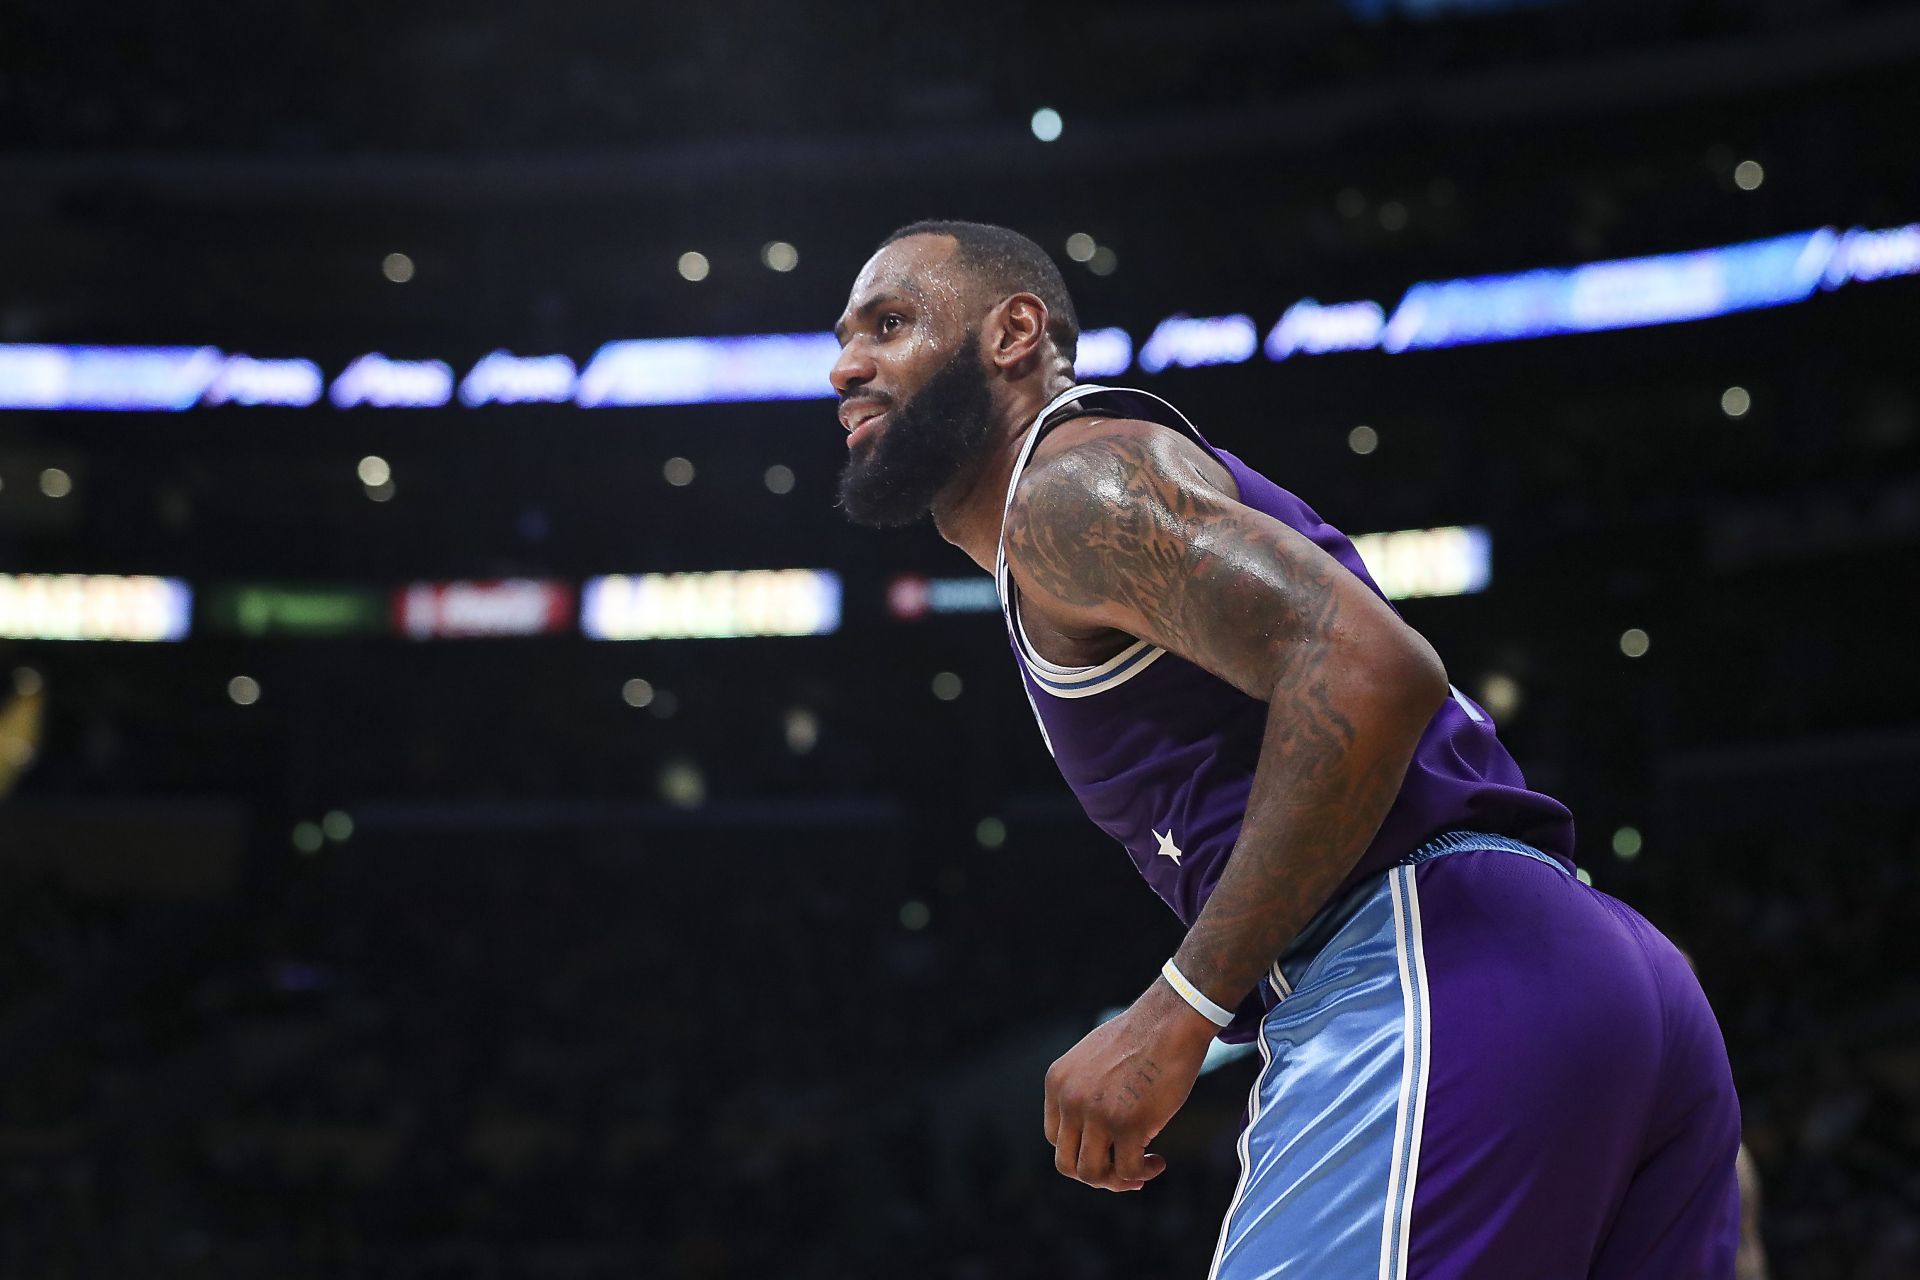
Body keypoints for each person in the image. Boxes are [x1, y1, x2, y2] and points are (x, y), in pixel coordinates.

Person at [830, 219, 1741, 1278]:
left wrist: (1178, 1007)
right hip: (1592, 967)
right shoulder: (1087, 503)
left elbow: (1373, 671)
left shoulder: (1069, 491)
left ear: (1014, 332)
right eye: (844, 339)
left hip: (1437, 958)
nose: (847, 366)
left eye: (888, 325)